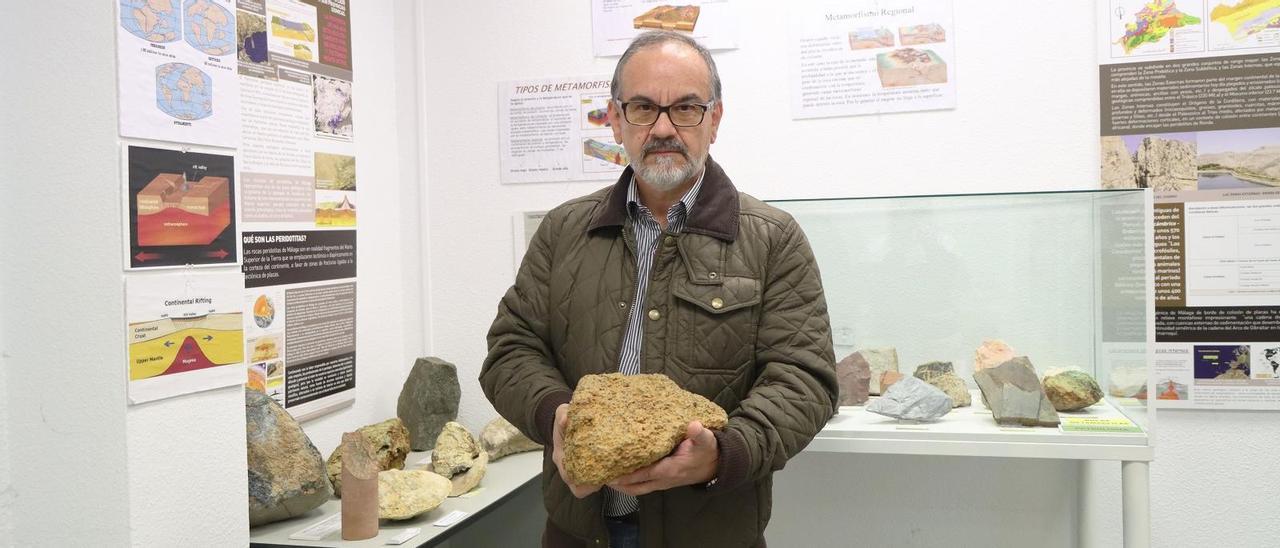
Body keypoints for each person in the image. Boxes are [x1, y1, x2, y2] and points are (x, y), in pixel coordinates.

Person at [480, 31, 837, 548]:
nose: (664, 128)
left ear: (714, 120)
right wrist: (559, 416)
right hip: (580, 531)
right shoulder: (563, 232)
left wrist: (724, 452)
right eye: (644, 107)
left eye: (687, 108)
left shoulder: (772, 239)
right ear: (616, 118)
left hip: (712, 531)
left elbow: (804, 379)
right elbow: (512, 350)